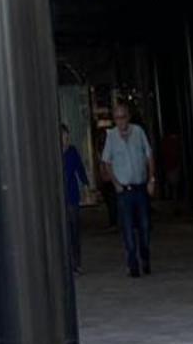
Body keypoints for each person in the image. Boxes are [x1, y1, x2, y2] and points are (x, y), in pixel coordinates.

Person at [101, 101, 155, 277]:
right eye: (117, 118)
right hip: (124, 190)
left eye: (123, 117)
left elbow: (149, 155)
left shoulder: (138, 132)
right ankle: (133, 264)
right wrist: (115, 182)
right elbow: (106, 161)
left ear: (128, 117)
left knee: (145, 227)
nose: (120, 121)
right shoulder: (111, 136)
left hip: (140, 187)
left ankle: (145, 257)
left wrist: (151, 179)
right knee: (127, 228)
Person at [61, 124, 90, 275]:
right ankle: (65, 262)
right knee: (63, 231)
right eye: (62, 138)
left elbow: (80, 169)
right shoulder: (53, 154)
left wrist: (85, 186)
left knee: (74, 231)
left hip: (72, 196)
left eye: (66, 138)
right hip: (59, 198)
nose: (65, 141)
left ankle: (76, 263)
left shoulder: (72, 152)